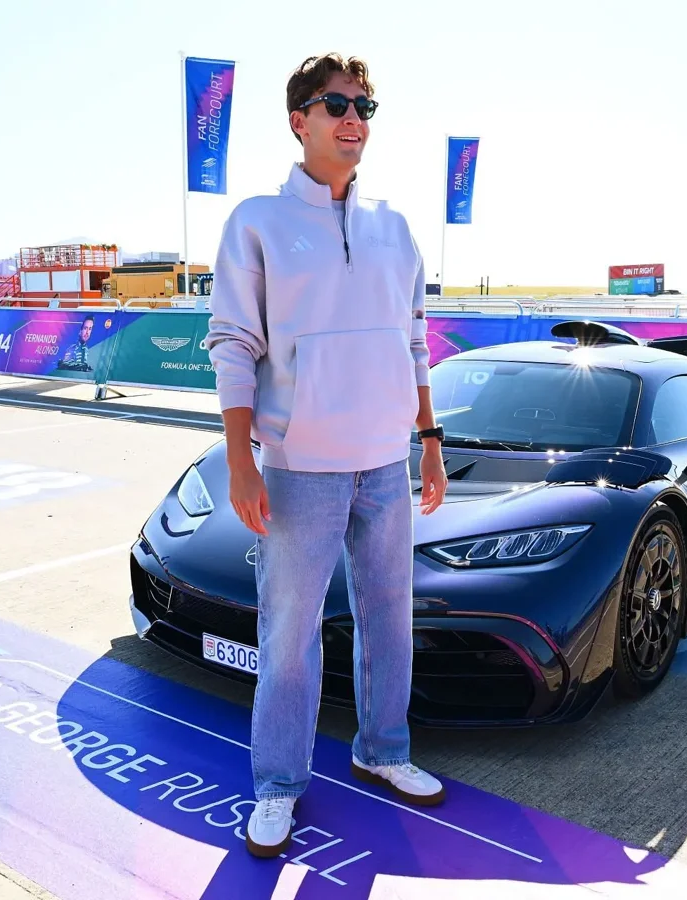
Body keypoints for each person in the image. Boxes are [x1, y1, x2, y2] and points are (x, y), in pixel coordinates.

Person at [203, 52, 449, 859]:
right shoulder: (256, 222)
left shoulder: (395, 228)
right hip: (298, 466)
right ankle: (277, 784)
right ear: (298, 119)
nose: (353, 119)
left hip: (384, 462)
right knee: (288, 634)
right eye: (336, 104)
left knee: (389, 618)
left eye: (364, 106)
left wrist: (429, 443)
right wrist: (241, 460)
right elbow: (233, 344)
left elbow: (415, 341)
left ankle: (383, 750)